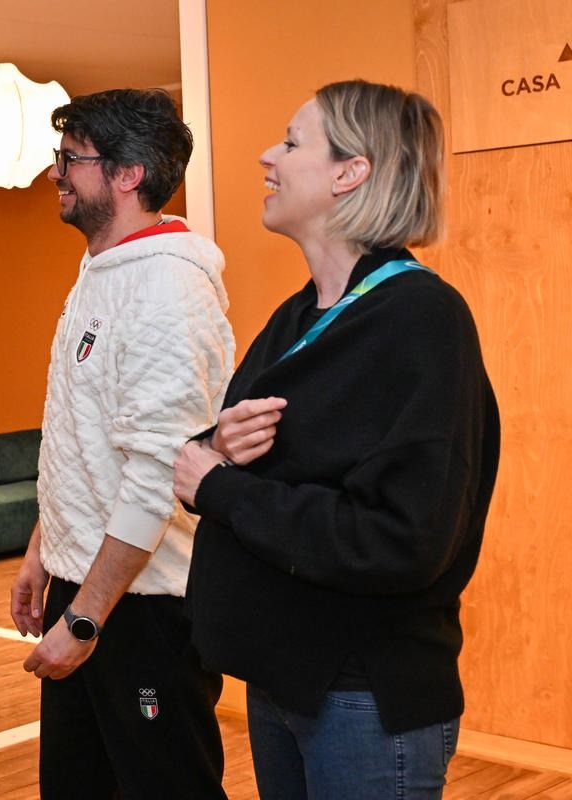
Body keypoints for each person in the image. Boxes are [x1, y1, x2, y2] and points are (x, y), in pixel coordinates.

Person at [173, 79, 500, 799]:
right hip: (282, 677)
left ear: (351, 173)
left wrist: (220, 486)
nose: (267, 156)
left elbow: (402, 539)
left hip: (364, 694)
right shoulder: (299, 316)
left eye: (292, 143)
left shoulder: (422, 320)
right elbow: (242, 458)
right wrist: (217, 447)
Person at [8, 88, 234, 799]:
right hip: (90, 587)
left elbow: (156, 476)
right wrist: (43, 553)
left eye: (71, 159)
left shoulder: (168, 288)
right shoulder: (103, 272)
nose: (56, 174)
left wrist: (84, 619)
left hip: (143, 608)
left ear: (128, 174)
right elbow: (84, 443)